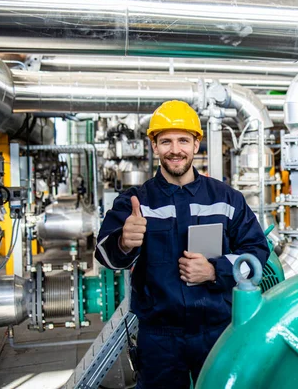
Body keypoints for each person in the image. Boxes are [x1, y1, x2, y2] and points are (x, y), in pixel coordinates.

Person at [95, 100, 269, 388]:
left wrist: (215, 271)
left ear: (196, 143)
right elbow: (104, 254)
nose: (175, 150)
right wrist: (124, 242)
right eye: (165, 141)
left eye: (183, 140)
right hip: (159, 338)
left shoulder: (226, 199)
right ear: (154, 146)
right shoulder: (136, 201)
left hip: (217, 330)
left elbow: (256, 255)